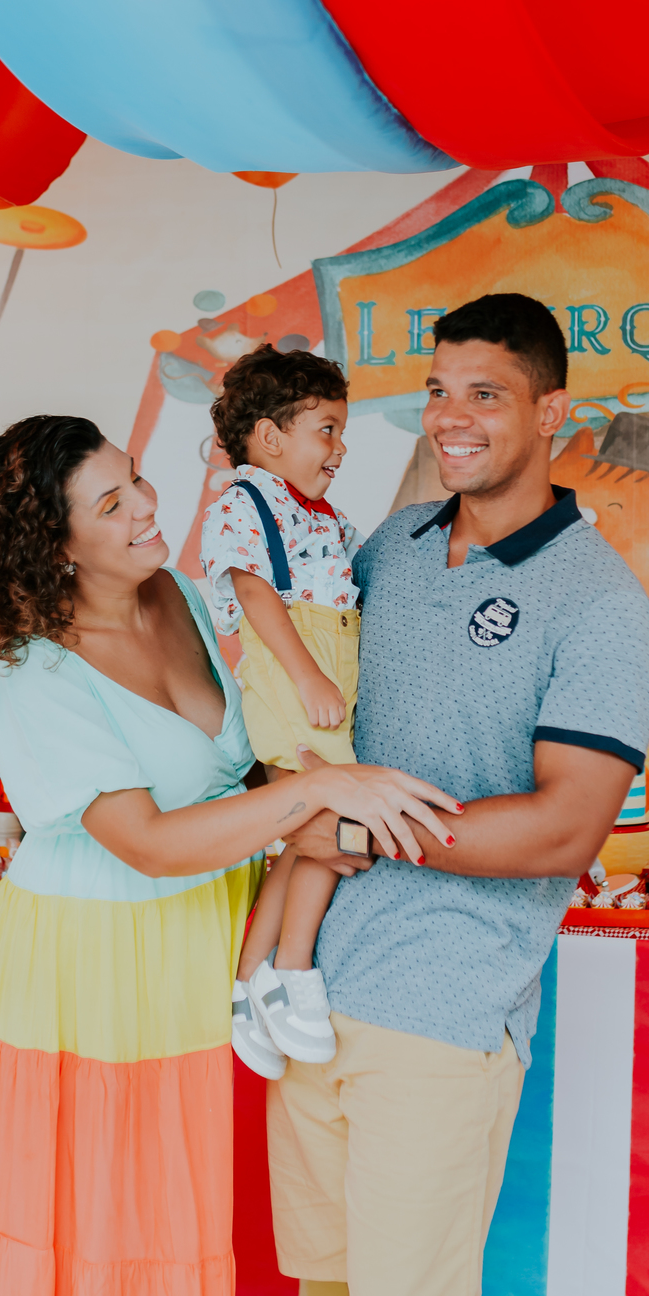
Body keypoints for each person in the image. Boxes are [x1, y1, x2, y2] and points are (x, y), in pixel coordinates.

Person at [0, 413, 459, 1296]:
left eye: (138, 483)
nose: (148, 508)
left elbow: (235, 783)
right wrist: (315, 796)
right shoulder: (40, 676)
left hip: (186, 958)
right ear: (53, 544)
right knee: (71, 1237)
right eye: (111, 505)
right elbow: (153, 845)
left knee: (163, 1232)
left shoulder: (191, 602)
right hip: (82, 971)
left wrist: (304, 819)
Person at [271, 295, 649, 1296]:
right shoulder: (386, 551)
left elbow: (563, 829)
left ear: (554, 412)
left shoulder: (603, 603)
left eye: (484, 393)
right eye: (438, 390)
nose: (451, 416)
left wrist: (362, 829)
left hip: (444, 1010)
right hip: (316, 990)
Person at [200, 344, 369, 1079]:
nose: (339, 446)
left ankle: (250, 985)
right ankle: (292, 969)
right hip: (294, 679)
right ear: (270, 438)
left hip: (327, 674)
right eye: (325, 428)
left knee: (309, 839)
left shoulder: (319, 513)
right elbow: (256, 592)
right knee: (332, 834)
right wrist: (307, 677)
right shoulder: (247, 502)